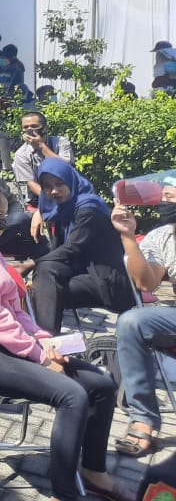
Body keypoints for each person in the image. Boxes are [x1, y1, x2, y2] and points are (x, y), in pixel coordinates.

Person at [0, 176, 124, 501]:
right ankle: (64, 494)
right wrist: (39, 356)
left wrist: (43, 340)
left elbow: (11, 306)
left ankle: (93, 471)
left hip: (4, 340)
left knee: (102, 385)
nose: (3, 224)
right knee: (72, 395)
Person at [29, 158, 133, 335]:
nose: (53, 191)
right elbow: (58, 253)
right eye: (47, 187)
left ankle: (47, 342)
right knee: (45, 274)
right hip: (83, 272)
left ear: (71, 180)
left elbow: (72, 249)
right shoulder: (63, 208)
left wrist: (31, 264)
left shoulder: (88, 208)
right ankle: (48, 340)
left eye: (59, 184)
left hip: (108, 281)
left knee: (43, 291)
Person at [111, 195, 176, 457]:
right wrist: (128, 236)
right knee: (131, 322)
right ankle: (143, 418)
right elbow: (147, 284)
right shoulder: (163, 237)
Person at [13, 110, 76, 242]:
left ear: (45, 128)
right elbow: (31, 184)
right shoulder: (22, 154)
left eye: (34, 126)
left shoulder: (61, 142)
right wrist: (49, 200)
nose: (30, 130)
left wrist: (42, 146)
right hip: (39, 198)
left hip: (67, 193)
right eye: (25, 128)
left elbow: (66, 168)